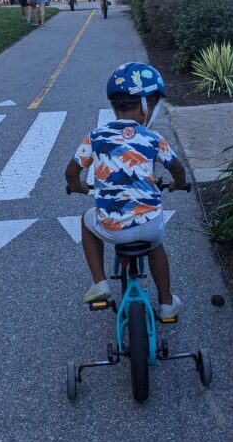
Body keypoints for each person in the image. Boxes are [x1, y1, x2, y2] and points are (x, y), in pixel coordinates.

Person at [64, 62, 188, 320]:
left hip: (111, 227)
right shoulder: (153, 139)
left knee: (87, 221)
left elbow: (71, 173)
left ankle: (100, 282)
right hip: (148, 225)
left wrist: (78, 187)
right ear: (146, 105)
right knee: (156, 244)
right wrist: (178, 184)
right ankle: (166, 303)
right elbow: (178, 170)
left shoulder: (96, 136)